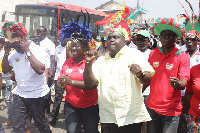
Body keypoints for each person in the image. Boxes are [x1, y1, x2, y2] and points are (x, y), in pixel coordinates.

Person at [83, 5, 154, 133]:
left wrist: (139, 74)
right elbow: (89, 84)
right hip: (108, 117)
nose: (111, 40)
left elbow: (147, 80)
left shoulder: (134, 55)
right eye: (109, 37)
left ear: (125, 40)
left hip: (131, 117)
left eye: (115, 37)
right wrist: (88, 64)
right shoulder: (100, 61)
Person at [1, 21, 51, 133]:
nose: (14, 48)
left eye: (15, 45)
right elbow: (5, 70)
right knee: (17, 126)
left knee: (40, 124)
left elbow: (40, 70)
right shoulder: (13, 54)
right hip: (20, 94)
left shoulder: (37, 50)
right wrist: (6, 53)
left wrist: (27, 51)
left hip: (37, 95)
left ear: (22, 39)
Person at [147, 18, 190, 133]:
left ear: (176, 38)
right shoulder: (152, 54)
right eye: (164, 34)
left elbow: (183, 83)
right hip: (152, 108)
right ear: (159, 37)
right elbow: (147, 79)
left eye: (170, 34)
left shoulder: (182, 57)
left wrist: (177, 84)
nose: (166, 37)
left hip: (171, 110)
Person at [58, 15, 99, 133]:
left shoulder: (92, 63)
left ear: (85, 47)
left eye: (77, 46)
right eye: (72, 46)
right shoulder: (67, 62)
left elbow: (91, 85)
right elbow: (62, 81)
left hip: (90, 106)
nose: (74, 49)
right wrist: (61, 83)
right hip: (71, 106)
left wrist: (70, 82)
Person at [49, 38, 70, 126]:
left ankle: (69, 118)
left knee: (69, 98)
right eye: (61, 37)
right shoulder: (57, 48)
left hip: (70, 77)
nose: (63, 39)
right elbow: (55, 62)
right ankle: (54, 117)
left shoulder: (70, 48)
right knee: (58, 97)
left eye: (65, 37)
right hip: (59, 76)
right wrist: (53, 72)